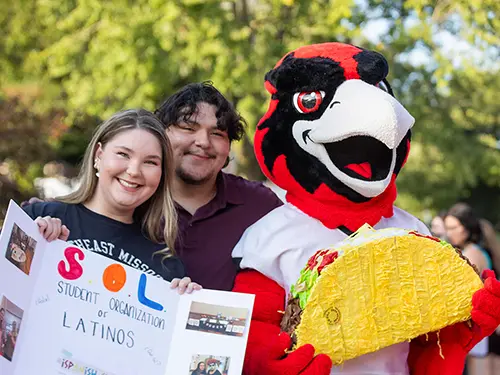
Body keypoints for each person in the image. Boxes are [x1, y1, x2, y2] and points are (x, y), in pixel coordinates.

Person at [22, 109, 199, 293]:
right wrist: (34, 244)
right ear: (99, 155)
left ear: (161, 175)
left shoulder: (166, 264)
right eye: (123, 154)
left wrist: (183, 306)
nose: (134, 171)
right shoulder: (39, 219)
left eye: (150, 162)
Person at [154, 82, 283, 290]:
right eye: (188, 128)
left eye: (217, 134)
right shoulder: (135, 200)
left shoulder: (260, 206)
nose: (203, 142)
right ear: (161, 136)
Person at [445, 202, 495, 375]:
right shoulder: (477, 250)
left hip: (473, 322)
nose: (449, 233)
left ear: (465, 228)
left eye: (453, 227)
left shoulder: (471, 253)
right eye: (447, 228)